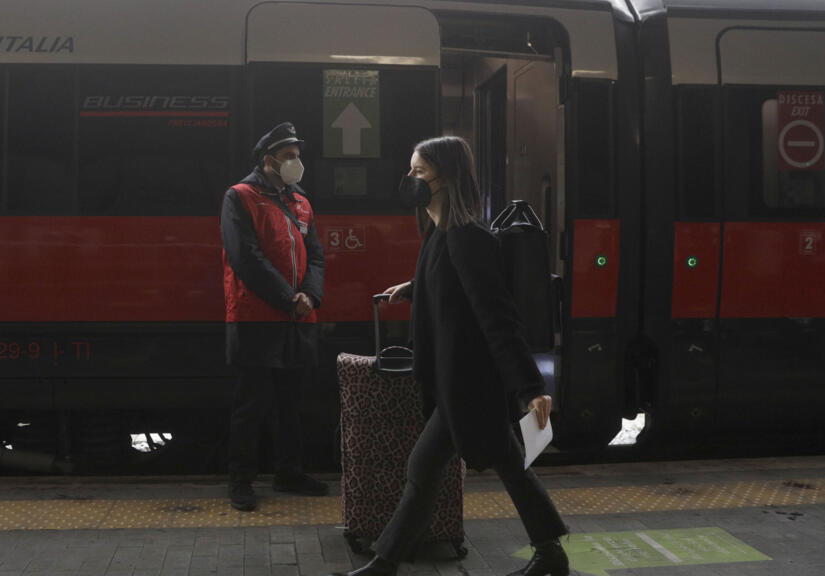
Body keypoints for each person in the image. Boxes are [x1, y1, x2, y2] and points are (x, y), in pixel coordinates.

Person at [333, 137, 569, 576]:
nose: (410, 180)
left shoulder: (467, 238)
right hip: (456, 382)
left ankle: (385, 564)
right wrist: (414, 286)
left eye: (418, 172)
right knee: (491, 468)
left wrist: (530, 388)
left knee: (434, 469)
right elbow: (451, 283)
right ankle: (550, 553)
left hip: (470, 385)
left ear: (446, 178)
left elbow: (497, 317)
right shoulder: (439, 233)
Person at [220, 122, 328, 512]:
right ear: (269, 160)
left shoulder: (301, 201)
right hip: (255, 317)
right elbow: (245, 258)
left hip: (299, 317)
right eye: (289, 157)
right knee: (251, 404)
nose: (297, 163)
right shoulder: (240, 197)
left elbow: (315, 255)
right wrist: (289, 298)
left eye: (298, 156)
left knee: (291, 403)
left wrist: (310, 296)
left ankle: (289, 473)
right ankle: (241, 482)